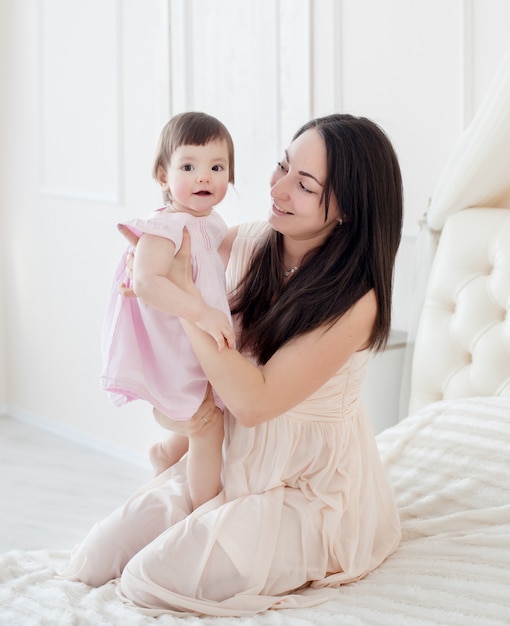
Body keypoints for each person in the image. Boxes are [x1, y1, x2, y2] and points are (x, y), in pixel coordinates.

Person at [61, 113, 403, 617]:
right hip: (232, 461)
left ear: (347, 210)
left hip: (306, 492)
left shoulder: (355, 302)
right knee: (93, 560)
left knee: (148, 579)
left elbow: (252, 399)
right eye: (282, 166)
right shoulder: (245, 242)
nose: (279, 189)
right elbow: (169, 279)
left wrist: (186, 301)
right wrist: (153, 267)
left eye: (304, 184)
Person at [100, 112, 236, 508]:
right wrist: (202, 313)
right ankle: (202, 511)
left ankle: (166, 453)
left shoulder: (212, 224)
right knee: (207, 424)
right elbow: (145, 282)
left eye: (217, 167)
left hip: (197, 340)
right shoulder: (165, 227)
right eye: (189, 167)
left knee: (216, 405)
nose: (204, 177)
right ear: (163, 176)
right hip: (175, 344)